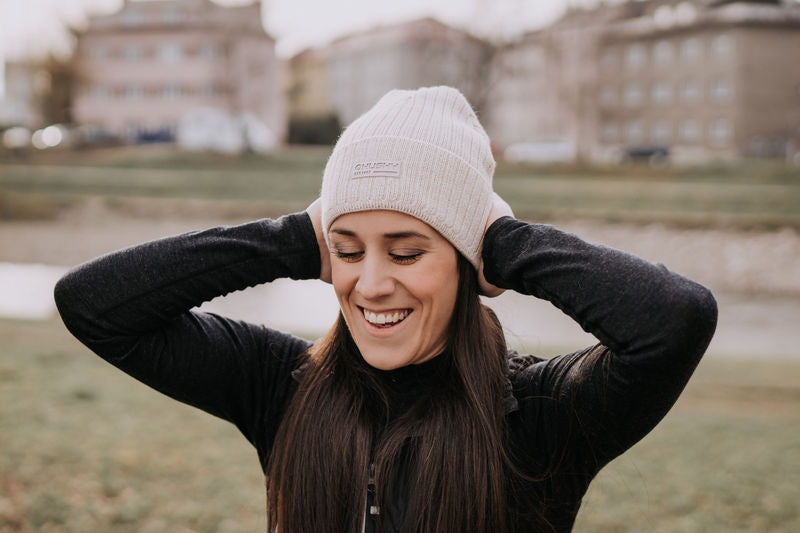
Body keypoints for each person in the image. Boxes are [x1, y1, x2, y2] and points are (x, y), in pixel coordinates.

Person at [54, 86, 717, 532]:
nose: (370, 284)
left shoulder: (543, 412)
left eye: (406, 253)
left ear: (465, 261)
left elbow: (674, 320)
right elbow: (94, 305)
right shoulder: (280, 386)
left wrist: (500, 241)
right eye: (347, 250)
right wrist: (292, 238)